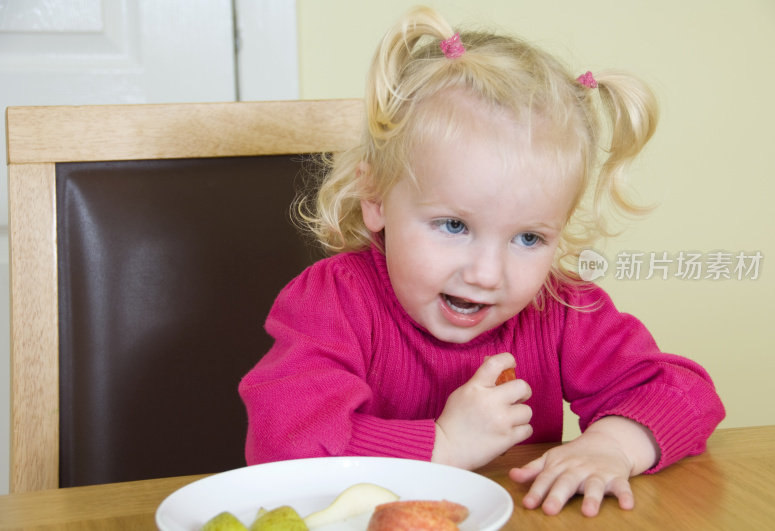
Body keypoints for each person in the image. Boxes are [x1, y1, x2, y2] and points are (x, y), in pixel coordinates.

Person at [239, 6, 725, 517]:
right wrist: (442, 445)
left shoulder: (556, 306)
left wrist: (613, 446)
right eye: (454, 226)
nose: (488, 275)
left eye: (529, 238)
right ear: (376, 197)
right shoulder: (333, 301)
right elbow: (282, 441)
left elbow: (686, 394)